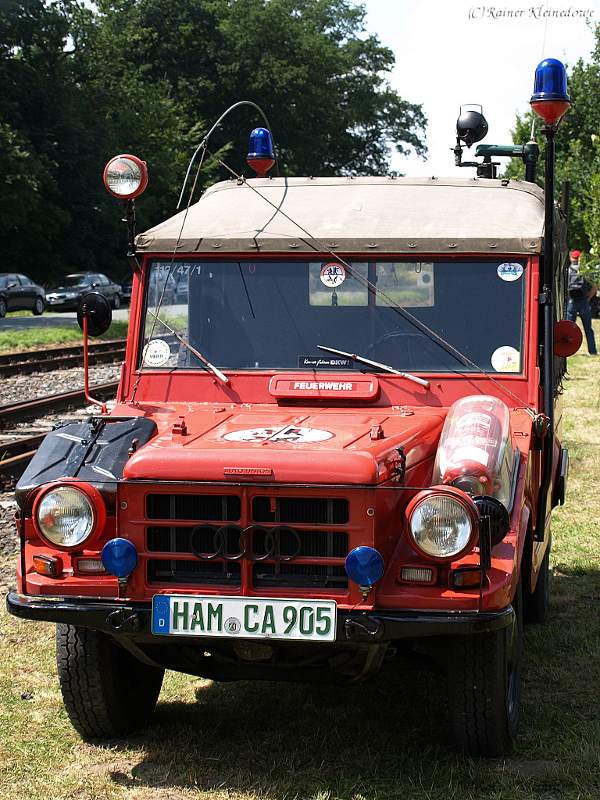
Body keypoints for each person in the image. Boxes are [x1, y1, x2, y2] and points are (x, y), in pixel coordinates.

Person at [566, 249, 597, 355]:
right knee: (588, 328)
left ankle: (568, 351)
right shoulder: (584, 271)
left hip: (572, 302)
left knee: (569, 328)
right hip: (583, 302)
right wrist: (588, 297)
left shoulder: (567, 270)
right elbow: (594, 286)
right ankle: (592, 351)